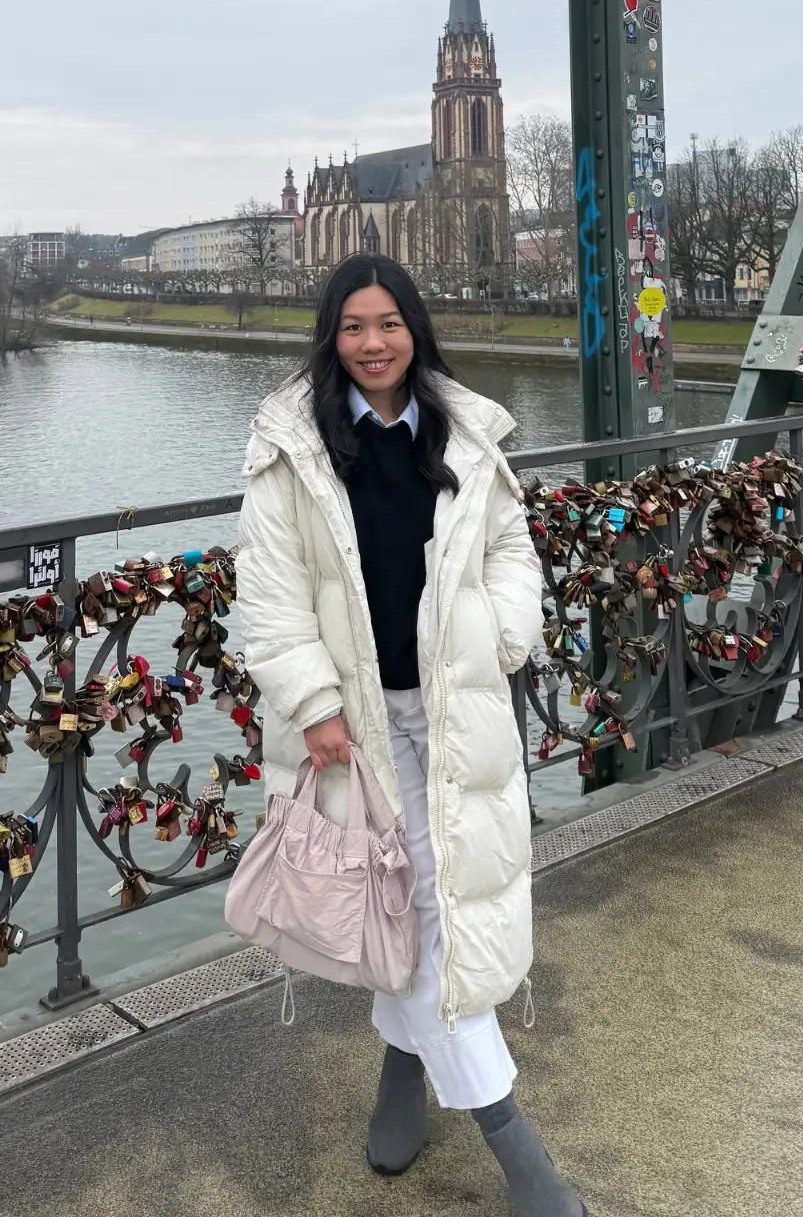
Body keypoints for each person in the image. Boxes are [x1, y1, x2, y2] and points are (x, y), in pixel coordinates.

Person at [235, 254, 584, 1215]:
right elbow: (268, 599)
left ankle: (401, 1069)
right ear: (331, 338)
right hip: (357, 732)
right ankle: (518, 1151)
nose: (373, 343)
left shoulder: (465, 432)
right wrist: (313, 704)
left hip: (455, 707)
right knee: (427, 914)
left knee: (430, 907)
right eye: (353, 327)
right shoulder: (290, 448)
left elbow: (514, 549)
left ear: (414, 330)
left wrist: (504, 630)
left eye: (388, 324)